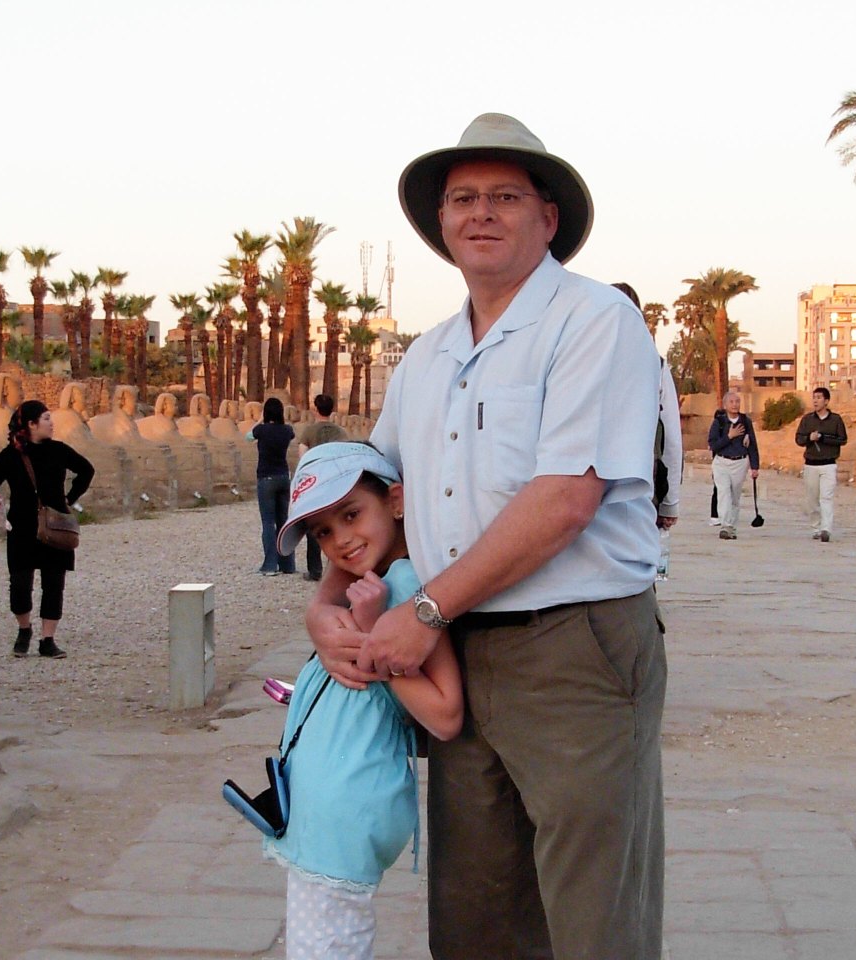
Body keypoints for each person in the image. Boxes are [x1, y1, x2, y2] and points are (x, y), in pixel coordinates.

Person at [307, 112, 667, 959]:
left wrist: (423, 611)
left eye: (505, 195)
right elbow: (367, 509)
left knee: (592, 911)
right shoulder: (425, 358)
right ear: (441, 225)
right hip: (457, 647)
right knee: (477, 911)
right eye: (462, 197)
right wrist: (326, 611)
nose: (481, 212)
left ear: (549, 218)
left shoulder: (594, 323)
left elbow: (565, 500)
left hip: (573, 649)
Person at [266, 441, 462, 960]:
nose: (341, 541)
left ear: (396, 501)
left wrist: (377, 636)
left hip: (343, 808)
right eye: (324, 532)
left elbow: (445, 714)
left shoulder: (411, 590)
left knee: (324, 947)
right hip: (324, 804)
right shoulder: (370, 581)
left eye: (352, 515)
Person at [0, 400, 94, 658]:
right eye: (46, 418)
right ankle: (24, 628)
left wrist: (68, 500)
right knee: (19, 583)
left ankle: (47, 639)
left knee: (54, 583)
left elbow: (86, 470)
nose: (52, 423)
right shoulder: (11, 455)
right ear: (31, 424)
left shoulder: (59, 450)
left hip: (55, 525)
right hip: (21, 527)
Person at [612, 282, 681, 530]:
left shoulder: (575, 360)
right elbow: (671, 439)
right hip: (640, 490)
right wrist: (670, 504)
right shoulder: (656, 365)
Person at [295, 393, 349, 581]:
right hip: (335, 481)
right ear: (332, 409)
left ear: (315, 409)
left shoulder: (309, 432)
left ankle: (315, 569)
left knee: (316, 525)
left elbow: (303, 456)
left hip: (316, 482)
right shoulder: (340, 432)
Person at [246, 397, 297, 576]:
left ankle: (270, 565)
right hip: (284, 476)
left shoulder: (261, 430)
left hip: (266, 477)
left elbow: (248, 436)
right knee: (283, 521)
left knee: (268, 522)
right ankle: (288, 564)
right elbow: (292, 434)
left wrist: (261, 419)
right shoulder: (287, 430)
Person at [795, 386, 848, 542]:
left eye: (819, 398)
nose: (816, 401)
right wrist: (809, 438)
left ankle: (826, 528)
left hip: (829, 464)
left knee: (827, 497)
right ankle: (816, 527)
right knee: (812, 499)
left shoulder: (836, 420)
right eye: (814, 397)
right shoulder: (807, 420)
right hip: (811, 464)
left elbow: (842, 439)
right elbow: (798, 439)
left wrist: (823, 438)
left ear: (826, 401)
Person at [708, 391, 759, 541]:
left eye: (737, 401)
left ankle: (732, 526)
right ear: (725, 405)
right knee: (723, 493)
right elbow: (713, 445)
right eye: (731, 402)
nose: (735, 404)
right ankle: (725, 525)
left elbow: (753, 445)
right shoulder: (720, 422)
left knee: (735, 496)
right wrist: (729, 436)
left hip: (740, 462)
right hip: (721, 462)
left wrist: (754, 466)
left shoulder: (745, 421)